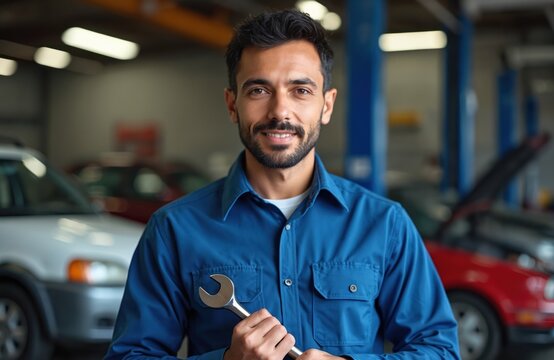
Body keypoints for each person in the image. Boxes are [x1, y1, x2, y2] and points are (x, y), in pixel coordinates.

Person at [105, 9, 460, 360]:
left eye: (301, 90)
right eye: (259, 90)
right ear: (233, 105)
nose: (280, 111)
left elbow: (440, 350)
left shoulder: (385, 225)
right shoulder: (174, 230)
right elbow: (131, 355)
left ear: (326, 104)